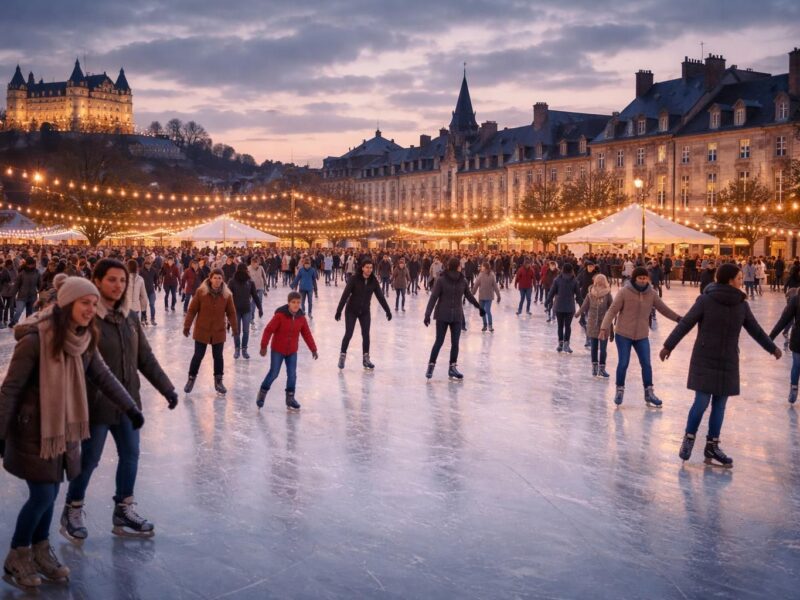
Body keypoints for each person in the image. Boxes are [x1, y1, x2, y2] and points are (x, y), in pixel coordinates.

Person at [0, 277, 144, 590]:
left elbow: (103, 376)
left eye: (94, 304)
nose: (91, 309)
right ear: (67, 303)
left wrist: (130, 407)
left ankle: (40, 551)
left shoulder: (83, 338)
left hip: (63, 430)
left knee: (50, 492)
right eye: (85, 303)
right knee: (44, 494)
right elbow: (10, 390)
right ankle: (17, 556)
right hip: (32, 430)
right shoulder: (35, 340)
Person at [60, 260, 177, 543]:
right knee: (89, 460)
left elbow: (144, 358)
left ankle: (123, 510)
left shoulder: (130, 317)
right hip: (96, 404)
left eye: (122, 281)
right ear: (97, 281)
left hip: (128, 402)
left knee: (131, 455)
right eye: (111, 280)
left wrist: (167, 388)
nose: (118, 286)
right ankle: (72, 509)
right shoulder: (87, 318)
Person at [660, 264, 781, 467]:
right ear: (729, 279)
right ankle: (689, 439)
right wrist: (668, 345)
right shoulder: (706, 300)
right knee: (701, 402)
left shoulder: (741, 305)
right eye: (740, 278)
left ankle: (712, 446)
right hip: (705, 359)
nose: (742, 281)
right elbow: (686, 323)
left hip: (728, 360)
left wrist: (772, 348)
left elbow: (756, 330)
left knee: (720, 405)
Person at [600, 266, 682, 407]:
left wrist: (679, 319)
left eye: (645, 278)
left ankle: (649, 392)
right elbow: (612, 310)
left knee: (646, 364)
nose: (643, 281)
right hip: (623, 334)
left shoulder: (652, 293)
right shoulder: (625, 292)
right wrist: (603, 327)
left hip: (642, 335)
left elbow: (663, 309)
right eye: (640, 278)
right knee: (623, 362)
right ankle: (619, 390)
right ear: (634, 278)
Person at [423, 258, 484, 380]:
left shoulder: (462, 280)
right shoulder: (442, 280)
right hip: (444, 315)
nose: (461, 267)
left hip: (456, 316)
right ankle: (433, 365)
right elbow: (434, 297)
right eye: (460, 265)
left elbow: (468, 295)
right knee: (443, 342)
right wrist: (427, 313)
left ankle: (451, 367)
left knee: (451, 342)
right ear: (457, 267)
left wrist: (479, 306)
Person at [257, 291, 318, 411]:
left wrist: (313, 349)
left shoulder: (301, 318)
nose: (296, 305)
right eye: (293, 302)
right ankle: (262, 392)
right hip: (278, 350)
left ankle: (290, 398)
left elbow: (307, 334)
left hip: (292, 351)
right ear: (288, 303)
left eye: (298, 302)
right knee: (274, 373)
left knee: (292, 375)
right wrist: (263, 346)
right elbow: (268, 330)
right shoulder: (280, 316)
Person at [183, 269, 238, 395]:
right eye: (215, 278)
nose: (217, 280)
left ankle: (218, 381)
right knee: (198, 356)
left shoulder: (226, 295)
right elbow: (192, 310)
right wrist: (187, 326)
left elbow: (231, 313)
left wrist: (235, 329)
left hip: (218, 331)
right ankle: (191, 379)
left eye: (219, 278)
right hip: (202, 330)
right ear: (210, 278)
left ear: (222, 279)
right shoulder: (201, 292)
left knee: (218, 357)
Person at [335, 258, 392, 370]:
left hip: (365, 311)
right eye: (367, 267)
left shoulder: (373, 281)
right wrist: (339, 310)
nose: (369, 270)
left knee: (366, 334)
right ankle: (342, 355)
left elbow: (380, 296)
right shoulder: (354, 279)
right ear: (362, 268)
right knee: (349, 333)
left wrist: (388, 310)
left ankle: (366, 358)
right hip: (351, 310)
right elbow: (345, 295)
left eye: (371, 267)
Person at [577, 273, 613, 378]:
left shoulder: (607, 294)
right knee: (594, 347)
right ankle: (595, 367)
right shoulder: (590, 294)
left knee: (602, 348)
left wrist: (616, 317)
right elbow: (584, 306)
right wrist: (578, 313)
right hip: (593, 323)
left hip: (604, 323)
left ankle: (601, 368)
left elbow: (612, 308)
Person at [769, 285, 800, 404]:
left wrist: (771, 337)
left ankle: (794, 387)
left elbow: (784, 320)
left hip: (798, 339)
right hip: (798, 339)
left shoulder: (796, 299)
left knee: (797, 365)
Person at [228, 263, 263, 360]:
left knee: (246, 331)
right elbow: (227, 296)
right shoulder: (232, 282)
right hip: (235, 310)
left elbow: (255, 296)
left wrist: (260, 307)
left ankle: (244, 349)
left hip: (247, 310)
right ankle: (237, 349)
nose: (245, 272)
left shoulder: (250, 282)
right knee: (236, 331)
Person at [546, 263, 582, 354]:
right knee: (568, 326)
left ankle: (560, 343)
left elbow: (552, 292)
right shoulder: (574, 281)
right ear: (571, 270)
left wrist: (547, 301)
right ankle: (566, 344)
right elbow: (578, 295)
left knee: (560, 325)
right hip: (570, 307)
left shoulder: (557, 280)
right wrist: (582, 306)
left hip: (559, 306)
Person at [472, 261, 501, 333]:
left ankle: (490, 325)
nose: (481, 267)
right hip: (481, 296)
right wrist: (472, 293)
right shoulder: (480, 275)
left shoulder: (492, 275)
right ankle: (485, 325)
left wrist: (498, 295)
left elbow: (495, 286)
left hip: (489, 296)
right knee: (482, 311)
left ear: (485, 267)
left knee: (487, 310)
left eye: (482, 266)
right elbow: (476, 284)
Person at [125, 259, 148, 324]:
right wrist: (144, 310)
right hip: (136, 307)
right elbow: (143, 296)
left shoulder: (124, 278)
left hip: (126, 306)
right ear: (136, 268)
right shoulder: (140, 279)